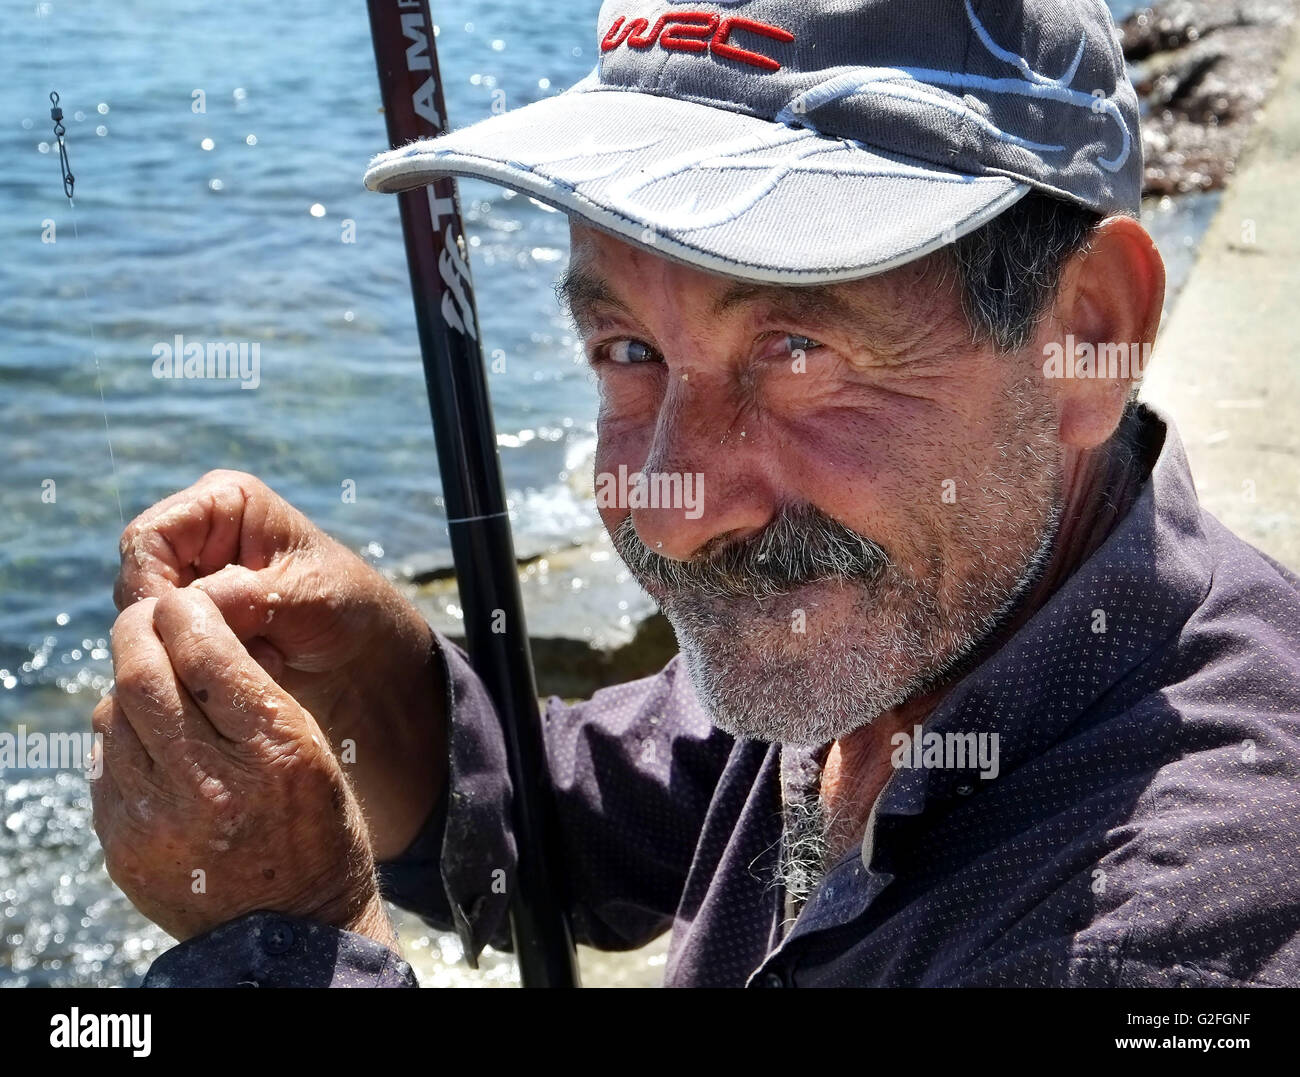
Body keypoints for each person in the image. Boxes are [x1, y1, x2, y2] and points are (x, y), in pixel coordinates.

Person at [94, 0, 1300, 987]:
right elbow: (589, 819)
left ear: (1084, 334)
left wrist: (284, 939)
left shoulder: (1178, 933)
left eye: (794, 351)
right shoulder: (899, 629)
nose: (673, 510)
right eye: (627, 352)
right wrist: (374, 687)